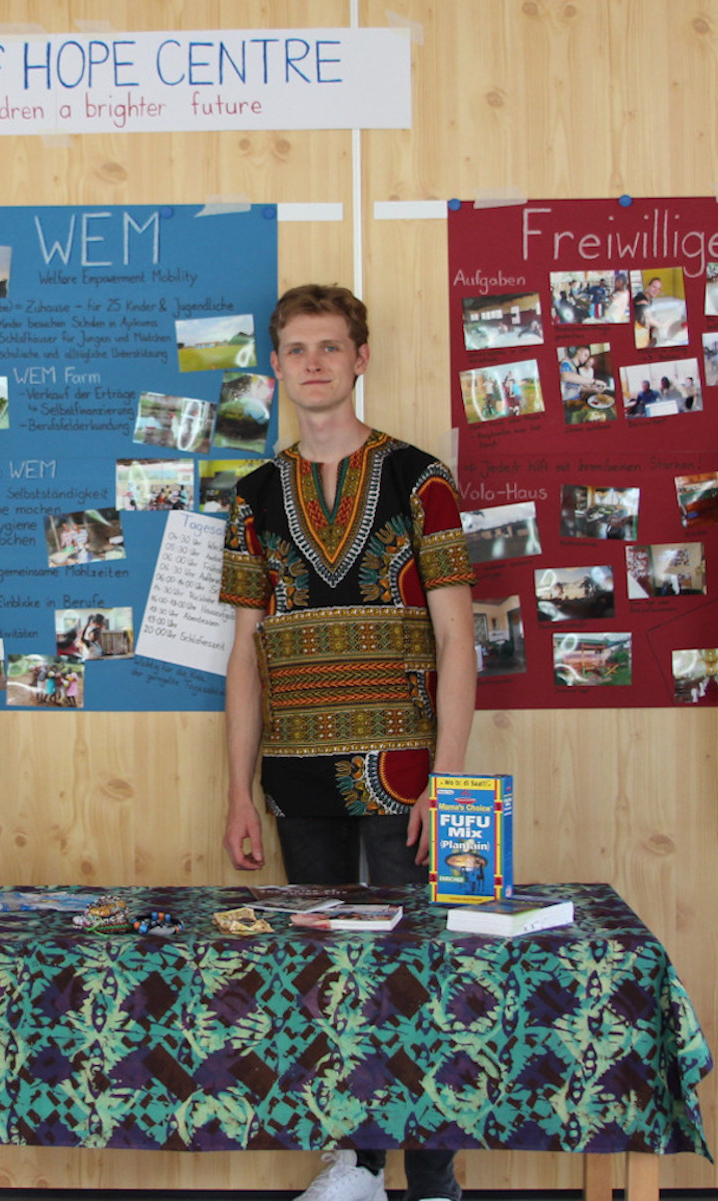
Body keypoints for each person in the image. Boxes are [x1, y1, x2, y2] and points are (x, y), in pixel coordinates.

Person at [220, 286, 476, 1201]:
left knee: (417, 968)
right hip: (298, 774)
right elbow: (245, 651)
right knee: (327, 973)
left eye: (330, 346)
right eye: (296, 349)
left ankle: (434, 1179)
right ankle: (359, 1164)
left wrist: (448, 779)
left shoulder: (420, 479)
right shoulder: (253, 495)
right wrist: (239, 789)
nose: (314, 363)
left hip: (406, 775)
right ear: (276, 366)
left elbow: (457, 638)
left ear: (361, 357)